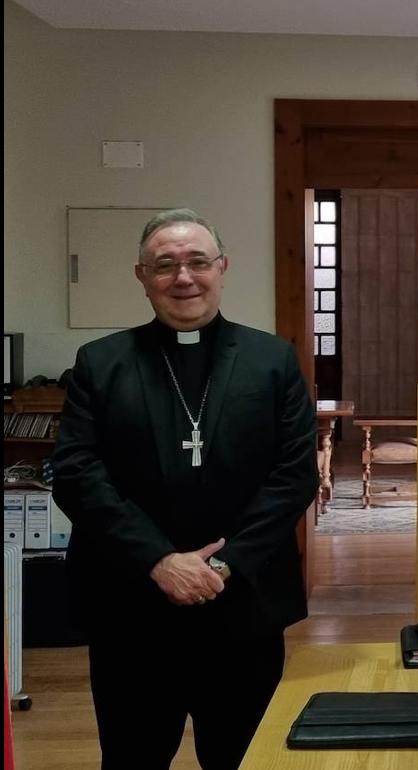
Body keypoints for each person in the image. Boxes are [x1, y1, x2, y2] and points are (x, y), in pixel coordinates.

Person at [52, 209, 318, 770]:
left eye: (198, 262)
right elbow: (77, 474)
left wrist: (223, 567)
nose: (184, 277)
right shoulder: (101, 363)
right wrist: (159, 560)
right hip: (132, 606)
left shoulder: (271, 360)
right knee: (132, 757)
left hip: (242, 603)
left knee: (244, 758)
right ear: (142, 275)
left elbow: (293, 476)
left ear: (222, 268)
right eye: (165, 265)